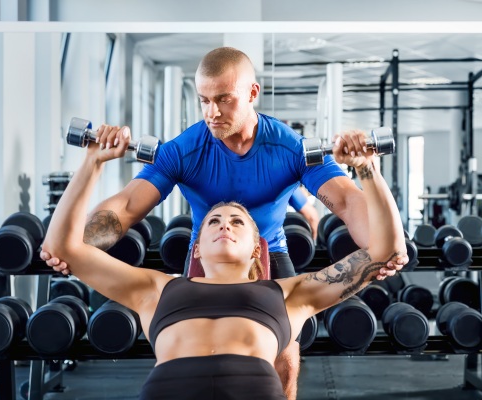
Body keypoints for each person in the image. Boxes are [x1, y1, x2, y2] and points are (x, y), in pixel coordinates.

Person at [42, 46, 397, 399]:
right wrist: (79, 242)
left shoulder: (291, 148)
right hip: (204, 252)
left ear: (252, 93)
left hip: (270, 249)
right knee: (177, 340)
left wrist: (382, 238)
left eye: (224, 99)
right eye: (204, 100)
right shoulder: (184, 151)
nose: (212, 113)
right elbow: (124, 208)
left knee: (286, 355)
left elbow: (352, 205)